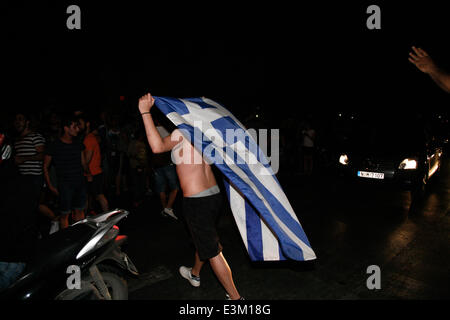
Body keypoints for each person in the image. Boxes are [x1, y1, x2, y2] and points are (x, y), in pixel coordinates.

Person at [138, 93, 243, 300]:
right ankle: (194, 274)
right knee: (204, 239)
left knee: (212, 250)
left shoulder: (183, 132)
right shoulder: (206, 131)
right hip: (214, 196)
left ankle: (236, 299)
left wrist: (144, 112)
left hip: (197, 201)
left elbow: (157, 147)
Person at [43, 115, 90, 229]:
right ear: (66, 128)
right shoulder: (55, 145)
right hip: (65, 185)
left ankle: (80, 236)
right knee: (65, 215)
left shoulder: (78, 143)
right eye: (74, 127)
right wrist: (50, 185)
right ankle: (66, 239)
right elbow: (45, 166)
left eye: (78, 127)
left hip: (79, 182)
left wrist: (88, 174)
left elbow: (83, 162)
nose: (77, 129)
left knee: (80, 211)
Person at [78, 114, 109, 214]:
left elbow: (86, 160)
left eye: (80, 124)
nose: (78, 126)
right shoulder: (88, 137)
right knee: (89, 197)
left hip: (93, 173)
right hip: (92, 173)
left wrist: (87, 173)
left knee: (99, 196)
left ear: (87, 124)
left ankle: (109, 220)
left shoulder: (89, 139)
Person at [151, 117, 179, 220]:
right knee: (174, 187)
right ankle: (168, 207)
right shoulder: (167, 131)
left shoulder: (151, 131)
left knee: (161, 188)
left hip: (157, 164)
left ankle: (165, 209)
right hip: (167, 163)